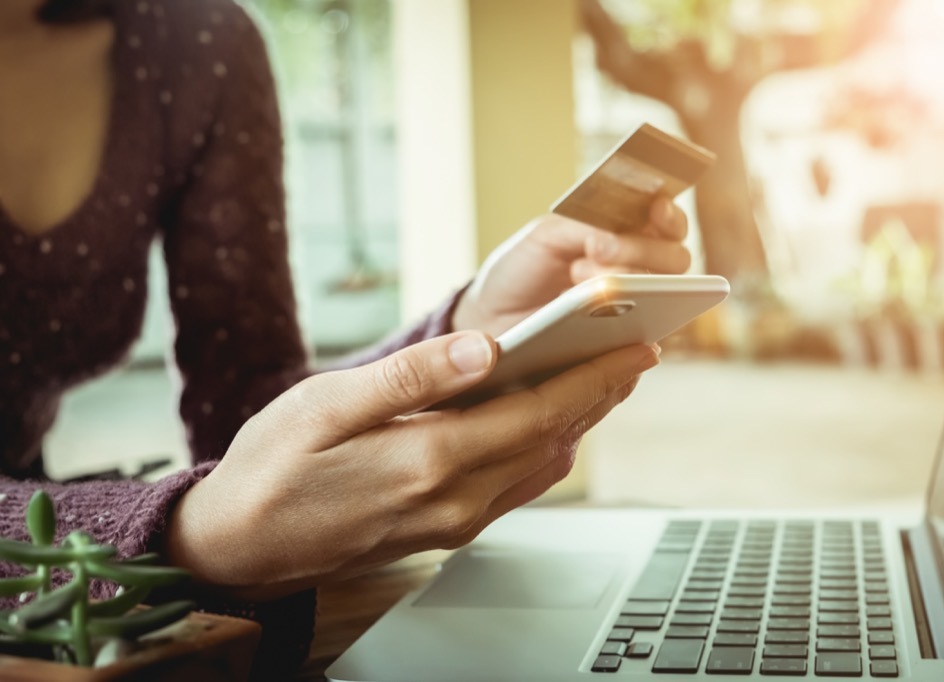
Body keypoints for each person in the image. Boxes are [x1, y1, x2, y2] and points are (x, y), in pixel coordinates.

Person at [0, 0, 692, 676]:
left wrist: (473, 328)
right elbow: (224, 506)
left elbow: (247, 418)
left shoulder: (194, 43)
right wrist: (184, 535)